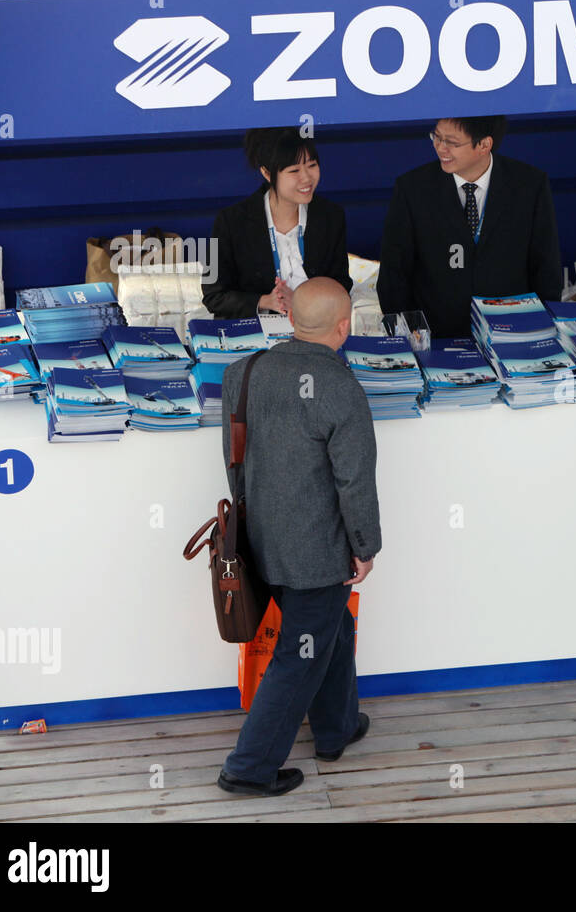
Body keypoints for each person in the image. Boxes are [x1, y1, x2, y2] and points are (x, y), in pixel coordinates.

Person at [216, 278, 381, 796]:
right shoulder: (340, 387)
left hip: (260, 541)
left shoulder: (243, 372)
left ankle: (336, 727)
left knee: (329, 632)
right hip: (315, 552)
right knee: (299, 655)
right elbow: (354, 478)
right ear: (344, 327)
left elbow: (234, 459)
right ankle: (248, 767)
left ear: (291, 320)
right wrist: (365, 545)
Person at [377, 116, 562, 338]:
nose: (440, 148)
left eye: (452, 142)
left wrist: (542, 328)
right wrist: (406, 333)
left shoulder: (529, 185)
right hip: (436, 338)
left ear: (484, 145)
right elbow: (394, 272)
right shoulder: (412, 188)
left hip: (511, 333)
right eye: (436, 137)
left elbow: (546, 266)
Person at [203, 127, 352, 319]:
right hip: (251, 337)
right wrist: (265, 301)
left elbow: (341, 284)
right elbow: (213, 295)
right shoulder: (229, 221)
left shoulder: (331, 216)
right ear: (267, 173)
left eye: (312, 165)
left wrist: (301, 300)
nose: (306, 178)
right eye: (294, 170)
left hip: (313, 329)